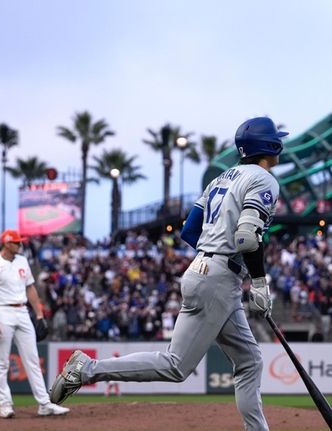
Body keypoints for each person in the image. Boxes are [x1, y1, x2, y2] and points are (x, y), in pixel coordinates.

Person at [50, 117, 285, 431]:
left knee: (249, 360)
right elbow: (245, 238)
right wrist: (258, 282)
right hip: (218, 277)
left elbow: (189, 230)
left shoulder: (220, 179)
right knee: (177, 366)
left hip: (206, 270)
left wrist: (210, 254)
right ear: (270, 145)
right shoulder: (264, 178)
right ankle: (87, 368)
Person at [0, 229, 69, 419]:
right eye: (17, 242)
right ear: (6, 243)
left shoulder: (22, 261)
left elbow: (30, 288)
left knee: (33, 360)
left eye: (20, 242)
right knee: (2, 362)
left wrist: (39, 315)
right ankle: (5, 405)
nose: (20, 245)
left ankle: (44, 404)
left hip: (22, 311)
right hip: (2, 311)